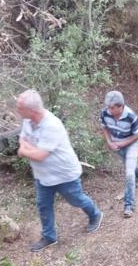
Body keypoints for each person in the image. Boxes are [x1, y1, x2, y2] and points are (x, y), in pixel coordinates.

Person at [16, 89, 104, 252]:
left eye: (20, 108)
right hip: (43, 176)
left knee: (76, 200)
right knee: (43, 204)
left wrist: (24, 151)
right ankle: (49, 237)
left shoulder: (51, 125)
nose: (17, 110)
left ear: (32, 110)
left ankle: (95, 214)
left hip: (64, 174)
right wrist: (27, 148)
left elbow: (40, 155)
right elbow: (22, 139)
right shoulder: (28, 121)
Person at [100, 91, 138, 218]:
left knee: (129, 173)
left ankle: (129, 206)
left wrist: (124, 143)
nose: (109, 110)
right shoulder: (105, 113)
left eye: (112, 108)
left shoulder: (131, 116)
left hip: (130, 144)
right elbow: (104, 127)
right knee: (128, 164)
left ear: (121, 106)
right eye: (108, 107)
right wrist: (109, 142)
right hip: (116, 144)